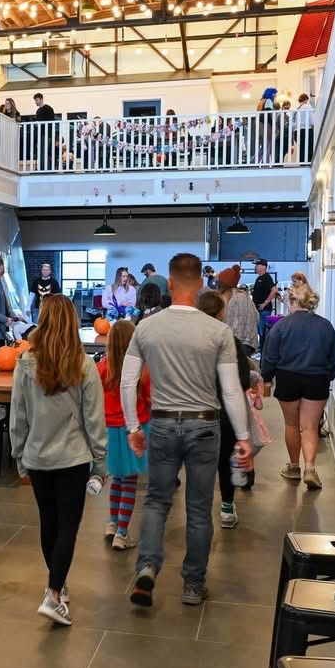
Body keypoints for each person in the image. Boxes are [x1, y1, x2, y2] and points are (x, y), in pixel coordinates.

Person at [121, 253, 253, 608]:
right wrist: (242, 438)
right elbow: (230, 390)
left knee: (156, 501)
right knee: (198, 509)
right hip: (205, 426)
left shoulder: (146, 328)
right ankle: (193, 585)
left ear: (169, 282)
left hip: (162, 423)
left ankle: (147, 568)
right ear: (199, 284)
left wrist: (134, 426)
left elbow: (127, 381)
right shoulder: (218, 331)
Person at [9, 294, 106, 626]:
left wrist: (19, 457)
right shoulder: (83, 365)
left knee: (48, 523)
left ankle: (58, 584)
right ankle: (52, 593)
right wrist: (101, 462)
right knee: (68, 527)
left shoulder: (24, 364)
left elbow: (17, 418)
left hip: (37, 458)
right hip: (72, 459)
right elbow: (94, 419)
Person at [261, 280, 335, 489]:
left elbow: (270, 356)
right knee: (310, 426)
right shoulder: (325, 325)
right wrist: (328, 376)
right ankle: (311, 468)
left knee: (292, 425)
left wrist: (267, 378)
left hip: (288, 378)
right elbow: (333, 356)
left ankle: (294, 467)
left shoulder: (281, 326)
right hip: (317, 378)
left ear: (292, 301)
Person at [199, 290, 255, 529]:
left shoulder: (190, 340)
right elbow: (242, 379)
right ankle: (227, 507)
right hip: (224, 414)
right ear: (222, 312)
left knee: (199, 463)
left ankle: (198, 509)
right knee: (224, 460)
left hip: (195, 413)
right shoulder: (229, 340)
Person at [99, 319, 147, 550]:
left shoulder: (102, 367)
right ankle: (122, 533)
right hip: (133, 429)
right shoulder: (141, 368)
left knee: (116, 478)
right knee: (130, 482)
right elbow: (149, 398)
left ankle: (112, 523)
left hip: (110, 430)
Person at [217, 264, 259, 354]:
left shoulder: (225, 298)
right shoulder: (246, 297)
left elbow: (222, 321)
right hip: (249, 342)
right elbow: (257, 317)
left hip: (232, 342)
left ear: (222, 283)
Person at [253, 258, 279, 346]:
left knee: (263, 332)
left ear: (263, 266)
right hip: (259, 310)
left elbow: (274, 290)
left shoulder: (266, 278)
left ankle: (264, 351)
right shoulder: (259, 278)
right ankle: (261, 350)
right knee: (260, 332)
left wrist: (265, 303)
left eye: (257, 265)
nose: (255, 267)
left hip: (264, 310)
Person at [294, 92, 315, 162]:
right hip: (306, 130)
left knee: (301, 148)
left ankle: (302, 162)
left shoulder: (295, 108)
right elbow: (312, 120)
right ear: (306, 99)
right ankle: (309, 162)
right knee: (309, 147)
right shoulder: (307, 106)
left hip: (297, 131)